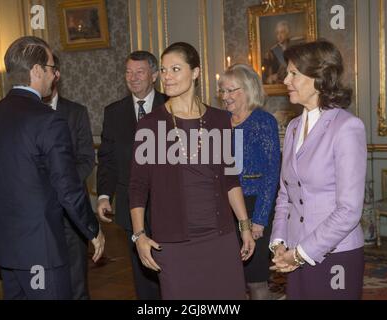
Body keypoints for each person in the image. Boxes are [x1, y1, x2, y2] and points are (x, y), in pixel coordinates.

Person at [0, 36, 105, 300]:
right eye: (52, 68)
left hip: (6, 252)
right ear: (37, 70)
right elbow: (68, 188)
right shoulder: (49, 120)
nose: (55, 76)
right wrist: (93, 230)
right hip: (42, 253)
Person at [129, 42, 255, 300]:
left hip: (219, 237)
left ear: (196, 72)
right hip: (174, 242)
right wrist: (140, 235)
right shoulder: (151, 124)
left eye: (175, 69)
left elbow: (230, 178)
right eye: (164, 70)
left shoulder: (219, 120)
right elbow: (138, 186)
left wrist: (244, 225)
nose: (167, 77)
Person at [269, 39, 367, 299]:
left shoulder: (347, 127)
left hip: (335, 255)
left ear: (319, 77)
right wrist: (279, 242)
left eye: (293, 74)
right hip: (294, 254)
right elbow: (285, 195)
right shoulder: (291, 128)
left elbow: (349, 210)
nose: (286, 80)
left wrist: (301, 253)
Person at [97, 51, 166, 300]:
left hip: (168, 205)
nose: (133, 77)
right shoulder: (113, 112)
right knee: (141, 272)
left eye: (140, 72)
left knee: (169, 269)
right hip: (130, 205)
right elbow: (107, 158)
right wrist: (104, 195)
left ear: (155, 75)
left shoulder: (172, 106)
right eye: (128, 72)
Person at [219, 63, 280, 299]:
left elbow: (272, 174)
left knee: (256, 281)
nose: (225, 97)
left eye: (231, 90)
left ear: (248, 89)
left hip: (256, 207)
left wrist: (260, 221)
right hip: (225, 209)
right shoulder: (220, 122)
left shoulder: (264, 122)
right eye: (222, 91)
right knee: (229, 279)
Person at [43, 54, 96, 300]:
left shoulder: (76, 112)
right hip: (39, 215)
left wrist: (63, 184)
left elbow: (87, 158)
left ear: (56, 74)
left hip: (72, 211)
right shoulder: (25, 114)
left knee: (77, 283)